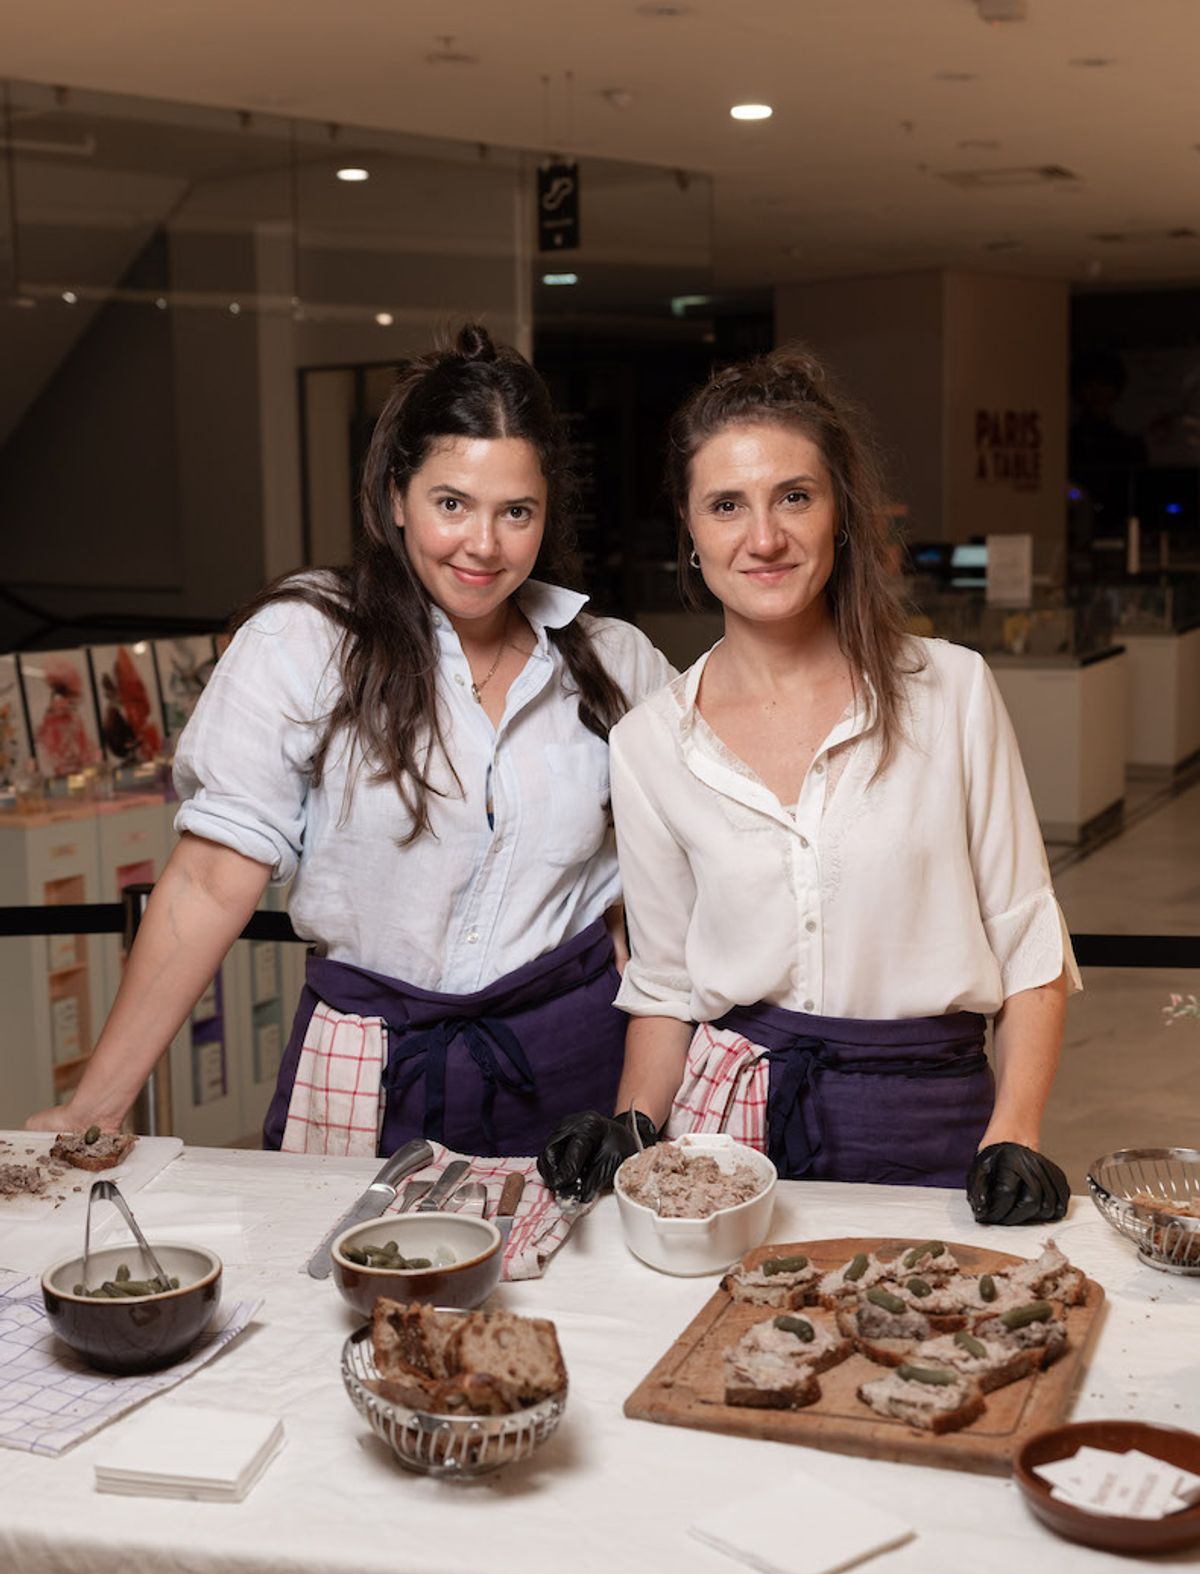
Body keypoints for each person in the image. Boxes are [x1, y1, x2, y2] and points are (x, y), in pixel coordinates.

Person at [27, 324, 670, 1156]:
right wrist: (98, 1104)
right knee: (344, 1285)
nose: (484, 544)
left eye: (517, 512)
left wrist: (625, 947)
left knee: (577, 1288)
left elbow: (691, 859)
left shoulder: (612, 662)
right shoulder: (305, 641)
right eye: (452, 504)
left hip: (575, 1067)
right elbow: (209, 879)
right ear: (397, 495)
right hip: (369, 1063)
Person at [539, 344, 1079, 1225]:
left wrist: (1012, 1133)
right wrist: (632, 1124)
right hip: (729, 1143)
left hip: (938, 1123)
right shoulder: (648, 744)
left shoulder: (951, 691)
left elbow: (1029, 947)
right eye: (727, 506)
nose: (764, 538)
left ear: (838, 513)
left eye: (794, 496)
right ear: (690, 528)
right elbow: (668, 987)